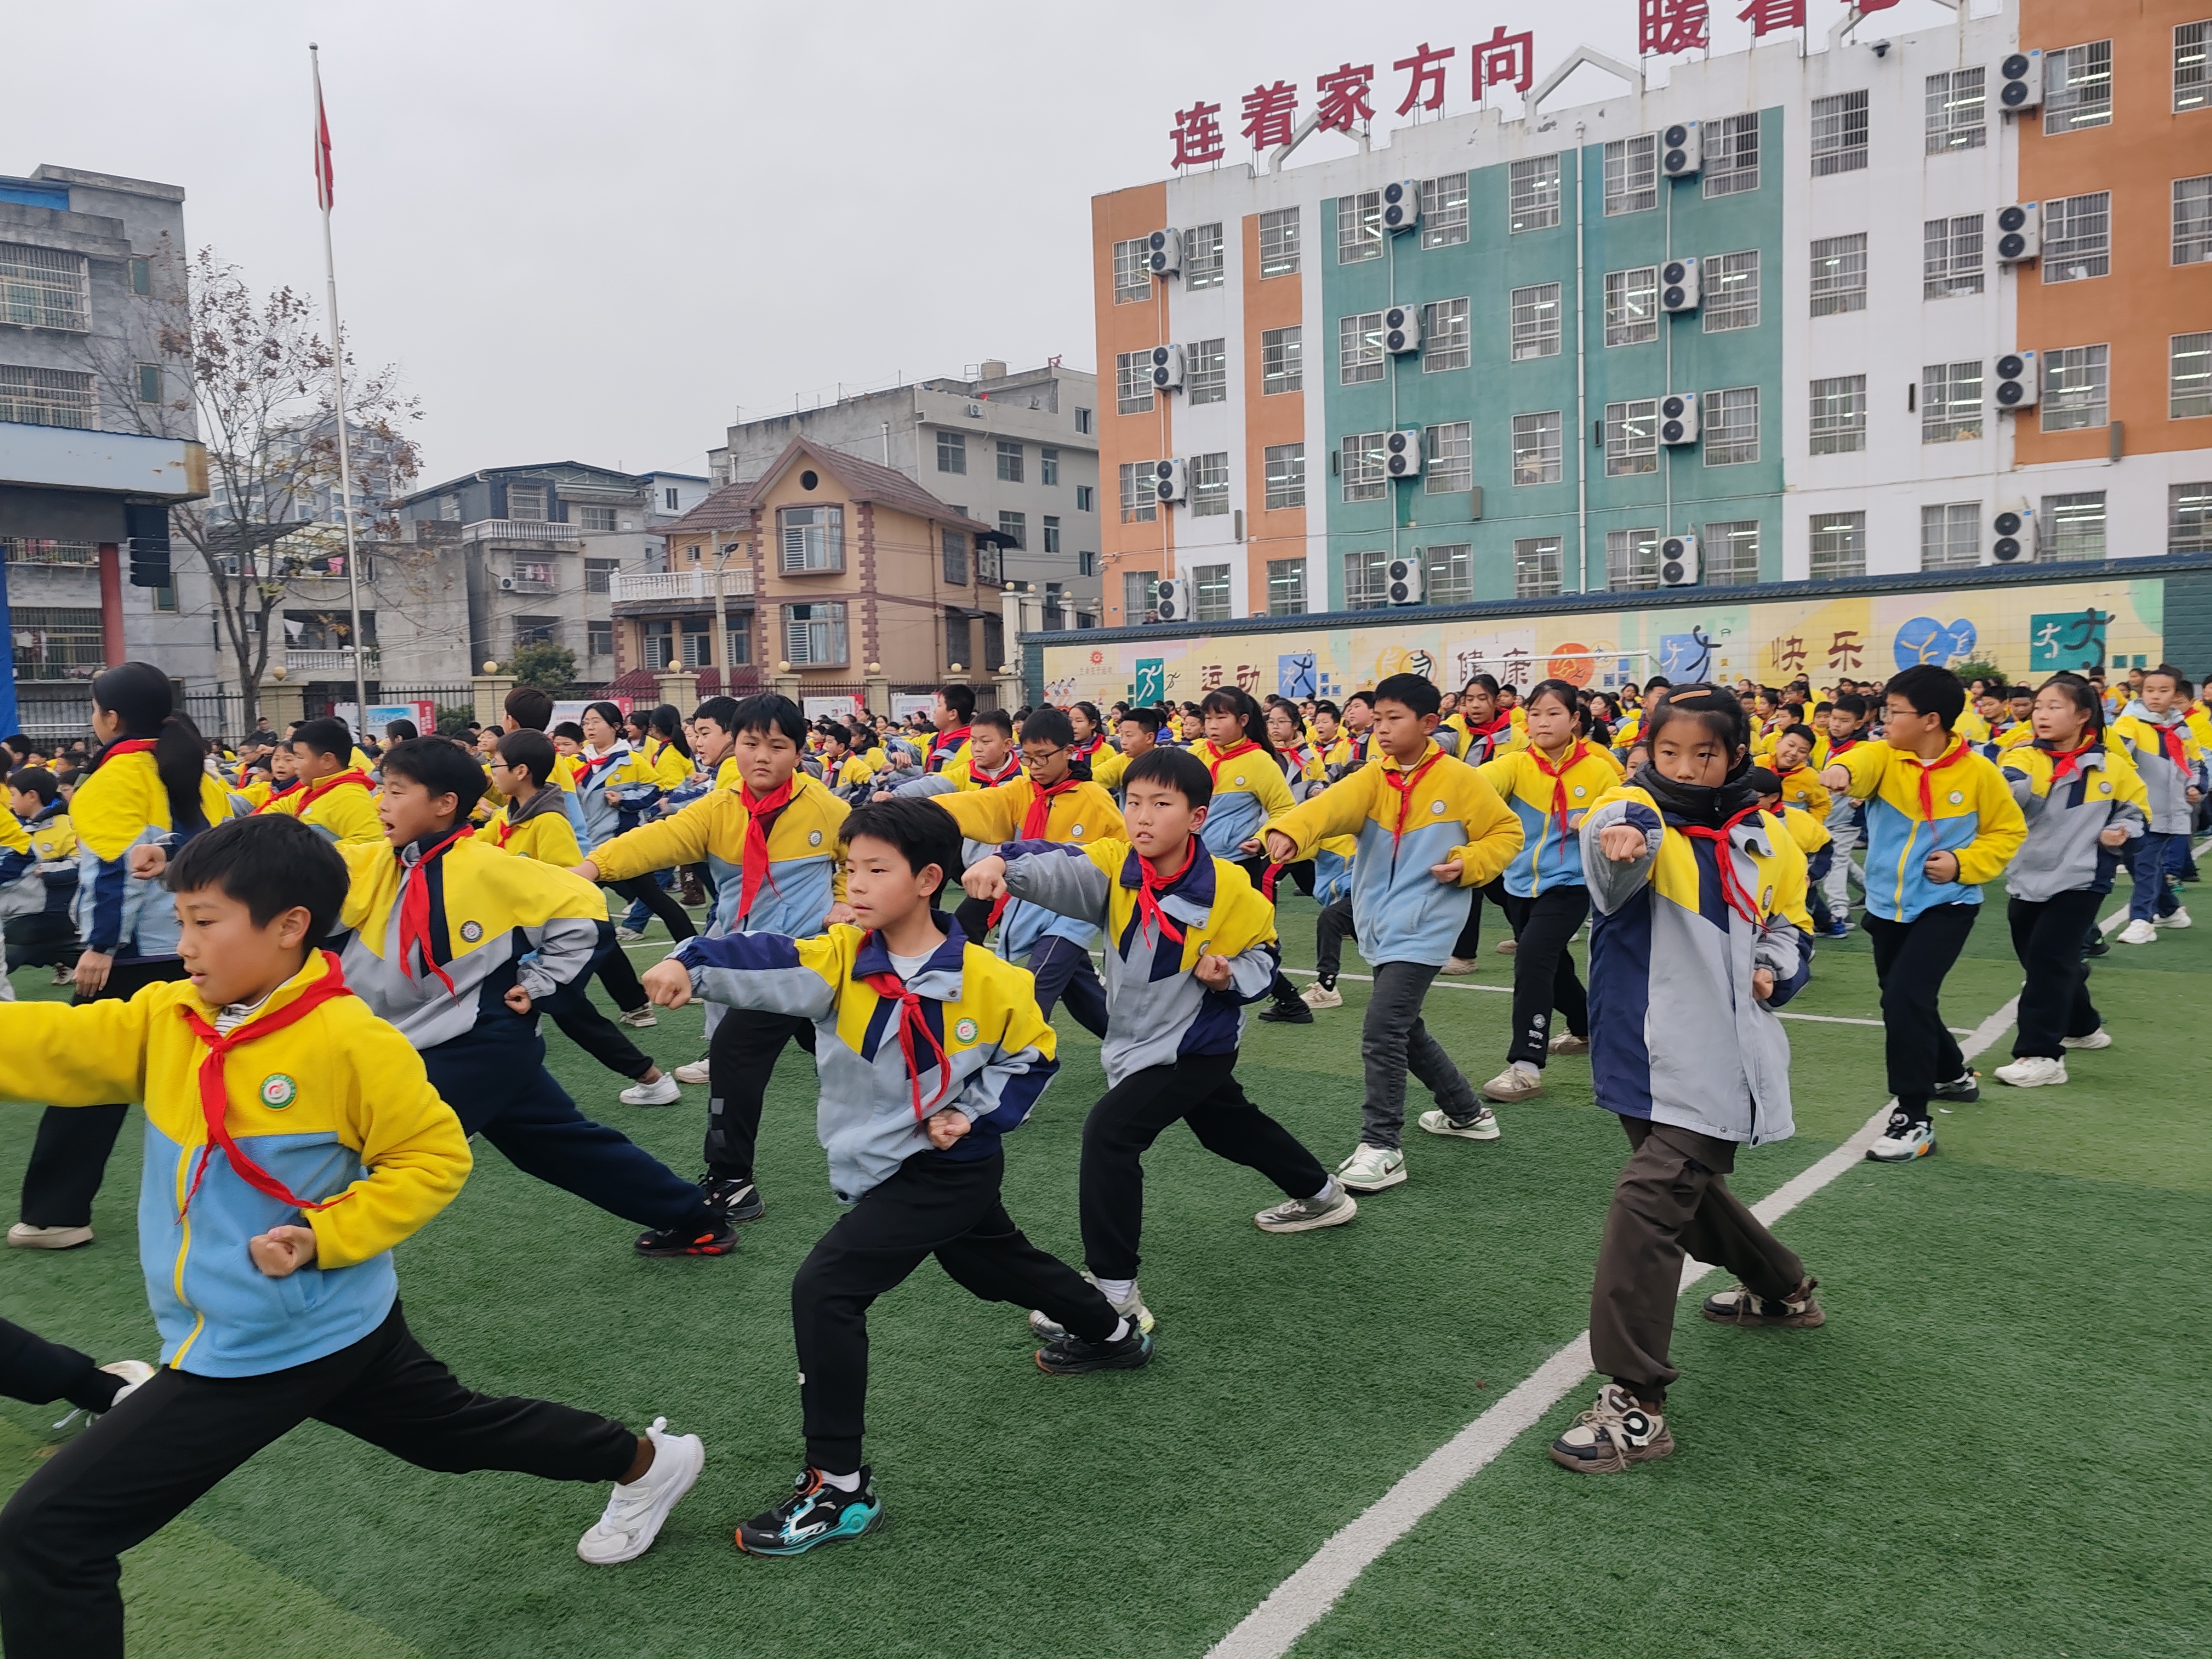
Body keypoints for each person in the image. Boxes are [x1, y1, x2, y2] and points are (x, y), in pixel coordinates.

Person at [0, 815, 705, 1658]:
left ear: (290, 925)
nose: (183, 943)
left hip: (269, 1341)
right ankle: (647, 1461)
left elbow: (432, 1157)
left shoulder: (350, 1039)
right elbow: (53, 1043)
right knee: (451, 1433)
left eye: (205, 921)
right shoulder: (171, 1018)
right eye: (181, 920)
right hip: (335, 1324)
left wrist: (320, 1233)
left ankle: (645, 1460)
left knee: (50, 1535)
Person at [642, 798, 1148, 1554]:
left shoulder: (993, 981)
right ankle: (1110, 1333)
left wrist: (970, 1114)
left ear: (928, 880)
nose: (855, 884)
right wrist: (689, 962)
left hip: (949, 1169)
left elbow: (1033, 1060)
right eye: (849, 869)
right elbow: (767, 956)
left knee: (826, 1288)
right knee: (992, 1263)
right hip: (881, 1169)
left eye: (876, 869)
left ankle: (839, 1488)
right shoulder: (840, 960)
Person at [966, 748, 1355, 1337]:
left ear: (1197, 817)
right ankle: (1323, 1195)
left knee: (1110, 1134)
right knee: (1227, 1126)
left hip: (1194, 1045)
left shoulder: (1229, 887)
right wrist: (1003, 863)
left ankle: (1114, 1295)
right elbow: (1059, 861)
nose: (1142, 816)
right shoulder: (1115, 865)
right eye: (1133, 803)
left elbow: (1264, 956)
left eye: (1161, 804)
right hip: (1137, 1040)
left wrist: (1228, 975)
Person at [314, 738, 735, 1255]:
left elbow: (583, 913)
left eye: (397, 792)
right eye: (383, 789)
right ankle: (694, 1219)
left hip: (479, 1042)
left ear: (445, 803)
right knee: (558, 1146)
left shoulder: (490, 867)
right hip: (427, 1038)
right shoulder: (379, 862)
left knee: (365, 1144)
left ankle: (310, 1252)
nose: (381, 803)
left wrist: (540, 985)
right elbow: (307, 871)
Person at [1549, 683, 1821, 1476]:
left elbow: (1791, 925)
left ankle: (1635, 1402)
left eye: (1704, 753)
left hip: (1717, 1059)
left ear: (1734, 756)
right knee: (1687, 1194)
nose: (1685, 767)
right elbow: (1612, 838)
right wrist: (1620, 840)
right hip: (1636, 1053)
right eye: (1668, 751)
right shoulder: (1635, 815)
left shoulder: (1770, 840)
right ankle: (1783, 1288)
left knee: (1651, 1201)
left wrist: (1775, 969)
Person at [579, 693, 850, 1229]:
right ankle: (923, 1114)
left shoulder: (826, 808)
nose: (762, 756)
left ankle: (731, 1181)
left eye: (778, 746)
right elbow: (658, 840)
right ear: (735, 745)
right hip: (741, 956)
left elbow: (862, 856)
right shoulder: (719, 807)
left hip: (803, 960)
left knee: (736, 1049)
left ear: (799, 753)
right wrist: (591, 868)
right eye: (752, 743)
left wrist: (844, 899)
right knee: (844, 1050)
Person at [1261, 673, 1522, 1192]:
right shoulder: (1373, 778)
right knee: (1404, 1026)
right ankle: (1467, 1113)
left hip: (1428, 923)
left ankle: (1382, 1145)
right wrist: (1288, 831)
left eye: (1393, 718)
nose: (1380, 728)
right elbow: (1325, 808)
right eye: (1376, 718)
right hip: (1380, 922)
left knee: (1383, 1029)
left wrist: (1467, 863)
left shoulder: (1460, 779)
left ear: (1429, 723)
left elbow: (1506, 832)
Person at [12, 665, 234, 1251]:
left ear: (111, 718)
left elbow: (114, 871)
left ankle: (56, 1216)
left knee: (85, 1077)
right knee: (214, 1080)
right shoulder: (197, 770)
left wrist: (101, 946)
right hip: (199, 950)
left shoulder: (113, 778)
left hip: (132, 956)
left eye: (94, 709)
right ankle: (236, 1205)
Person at [1820, 666, 2025, 1163]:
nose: (1884, 721)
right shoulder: (1885, 757)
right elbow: (1861, 760)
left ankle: (1913, 1118)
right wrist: (1843, 771)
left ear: (1931, 720)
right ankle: (1952, 1073)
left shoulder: (1979, 773)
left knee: (1905, 997)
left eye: (1894, 712)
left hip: (1947, 906)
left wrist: (1963, 864)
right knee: (1905, 998)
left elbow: (2008, 832)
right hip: (1887, 907)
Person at [489, 729, 679, 1108]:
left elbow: (562, 883)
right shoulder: (506, 817)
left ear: (521, 771)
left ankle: (652, 1078)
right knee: (540, 1009)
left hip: (565, 931)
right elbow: (478, 855)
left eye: (495, 765)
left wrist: (517, 881)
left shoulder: (548, 821)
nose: (491, 771)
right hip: (534, 933)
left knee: (568, 1010)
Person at [920, 706, 1119, 1036]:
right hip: (1027, 898)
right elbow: (976, 804)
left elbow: (1123, 852)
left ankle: (1014, 1053)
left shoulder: (1094, 799)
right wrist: (915, 809)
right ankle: (1133, 1046)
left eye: (1043, 757)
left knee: (1036, 987)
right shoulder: (1022, 791)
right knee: (1079, 988)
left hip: (1074, 914)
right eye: (1028, 758)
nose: (1035, 766)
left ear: (1069, 752)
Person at [1989, 674, 2148, 1087]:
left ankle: (2041, 1055)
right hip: (2027, 876)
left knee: (2046, 961)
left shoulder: (2113, 766)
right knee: (2045, 960)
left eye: (2054, 707)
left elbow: (2136, 815)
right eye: (2039, 706)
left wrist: (2121, 833)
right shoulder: (2023, 757)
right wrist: (2004, 787)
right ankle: (2083, 1026)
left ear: (2082, 716)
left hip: (2082, 879)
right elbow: (2009, 789)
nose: (2041, 715)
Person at [1468, 679, 1622, 1103]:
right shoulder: (1515, 764)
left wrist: (1593, 820)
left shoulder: (1599, 767)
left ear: (1574, 720)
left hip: (1571, 885)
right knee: (1553, 967)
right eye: (1535, 713)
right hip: (1519, 884)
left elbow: (1625, 807)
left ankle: (1526, 1065)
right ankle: (1586, 1027)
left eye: (1554, 713)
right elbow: (1476, 782)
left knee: (1533, 957)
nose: (1542, 722)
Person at [1190, 689, 1308, 1023]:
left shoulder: (1259, 762)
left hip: (1239, 867)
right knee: (1204, 938)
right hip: (1197, 865)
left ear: (1243, 721)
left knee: (1240, 941)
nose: (1212, 725)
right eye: (1208, 718)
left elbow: (1284, 809)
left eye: (1221, 717)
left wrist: (1260, 839)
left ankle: (1289, 1001)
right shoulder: (1197, 754)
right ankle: (1288, 1001)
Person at [574, 701, 696, 947]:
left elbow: (655, 789)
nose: (590, 728)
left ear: (615, 727)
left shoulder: (631, 760)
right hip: (587, 845)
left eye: (596, 722)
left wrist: (624, 799)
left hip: (622, 844)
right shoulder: (577, 761)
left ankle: (692, 945)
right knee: (585, 905)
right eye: (586, 723)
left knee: (655, 899)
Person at [2108, 664, 2203, 944]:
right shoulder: (2129, 723)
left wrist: (2195, 787)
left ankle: (2142, 920)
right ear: (2141, 692)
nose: (2155, 696)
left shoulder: (2182, 728)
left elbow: (2196, 763)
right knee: (2139, 863)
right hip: (2136, 810)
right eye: (2150, 690)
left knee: (2146, 864)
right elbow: (2117, 756)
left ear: (2175, 695)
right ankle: (2171, 911)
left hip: (2170, 811)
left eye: (2163, 691)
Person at [1, 767, 79, 976]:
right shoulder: (20, 828)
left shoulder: (66, 825)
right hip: (25, 915)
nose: (10, 802)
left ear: (32, 796)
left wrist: (46, 869)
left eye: (13, 795)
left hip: (52, 915)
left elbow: (82, 864)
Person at [266, 718, 383, 846]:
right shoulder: (313, 790)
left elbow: (370, 844)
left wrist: (310, 852)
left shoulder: (350, 797)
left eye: (299, 757)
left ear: (328, 760)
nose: (294, 765)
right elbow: (278, 809)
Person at [1092, 706, 1158, 796]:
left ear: (1150, 738)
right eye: (1122, 735)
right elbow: (1097, 775)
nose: (1123, 742)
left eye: (1129, 736)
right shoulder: (1122, 760)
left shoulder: (1167, 762)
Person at [924, 683, 976, 775]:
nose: (935, 710)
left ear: (953, 714)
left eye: (939, 705)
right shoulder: (933, 739)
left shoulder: (971, 748)